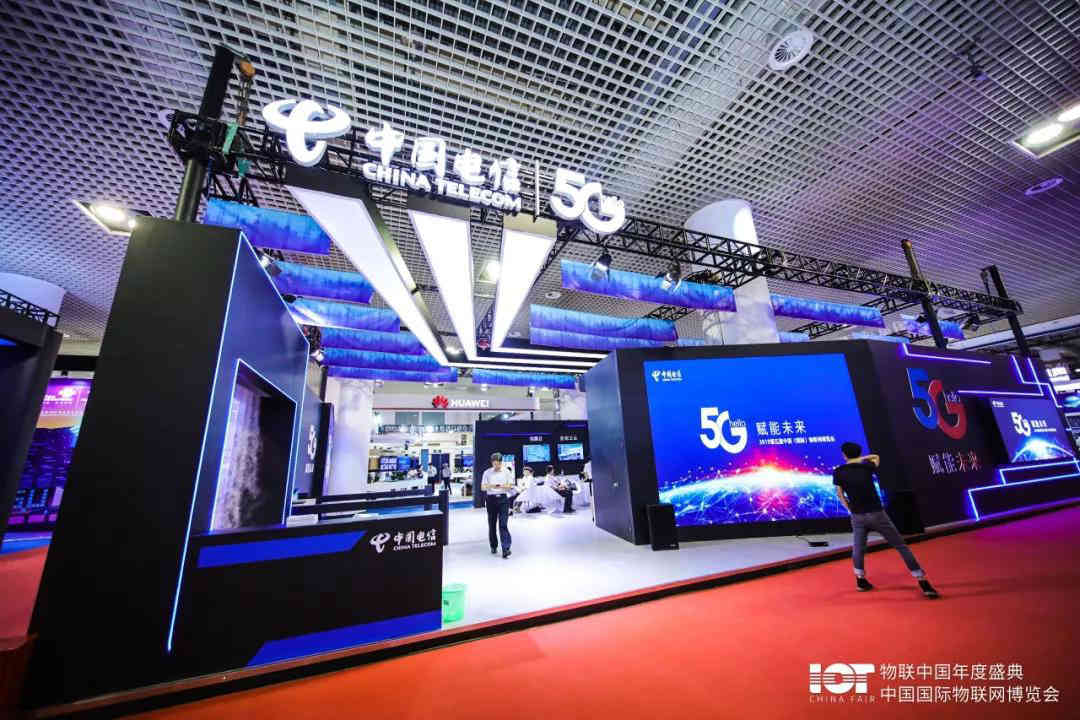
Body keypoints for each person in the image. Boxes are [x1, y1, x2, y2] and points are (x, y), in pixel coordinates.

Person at [833, 442, 938, 598]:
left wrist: (849, 509)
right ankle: (922, 581)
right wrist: (860, 459)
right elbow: (876, 457)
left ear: (844, 454)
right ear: (859, 453)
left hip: (857, 515)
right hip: (877, 514)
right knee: (901, 546)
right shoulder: (867, 466)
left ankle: (860, 580)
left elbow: (840, 494)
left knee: (858, 548)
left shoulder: (838, 472)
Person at [482, 452, 516, 558]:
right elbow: (483, 487)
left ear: (501, 462)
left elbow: (510, 485)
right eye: (494, 463)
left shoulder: (506, 472)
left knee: (503, 524)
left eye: (498, 463)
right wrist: (493, 486)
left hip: (503, 500)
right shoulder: (487, 473)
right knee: (492, 524)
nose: (496, 466)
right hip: (491, 500)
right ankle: (493, 545)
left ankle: (506, 548)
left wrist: (500, 486)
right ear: (492, 463)